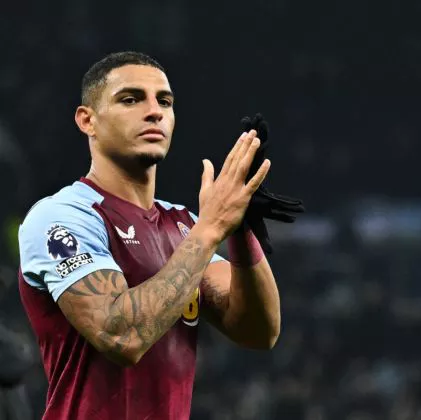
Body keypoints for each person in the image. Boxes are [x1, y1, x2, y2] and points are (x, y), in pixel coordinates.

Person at [17, 51, 302, 419]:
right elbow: (122, 337)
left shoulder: (183, 225)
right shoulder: (63, 216)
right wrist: (213, 227)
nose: (154, 112)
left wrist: (239, 230)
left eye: (164, 101)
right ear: (88, 120)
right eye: (131, 99)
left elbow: (259, 331)